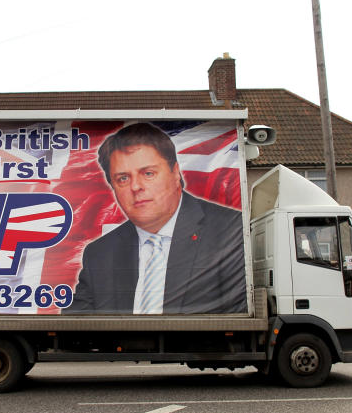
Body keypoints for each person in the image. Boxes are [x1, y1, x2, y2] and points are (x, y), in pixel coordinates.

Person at [66, 122, 247, 315]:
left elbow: (236, 316)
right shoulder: (100, 253)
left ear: (176, 173)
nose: (135, 187)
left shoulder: (230, 231)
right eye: (123, 178)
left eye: (148, 173)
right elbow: (78, 322)